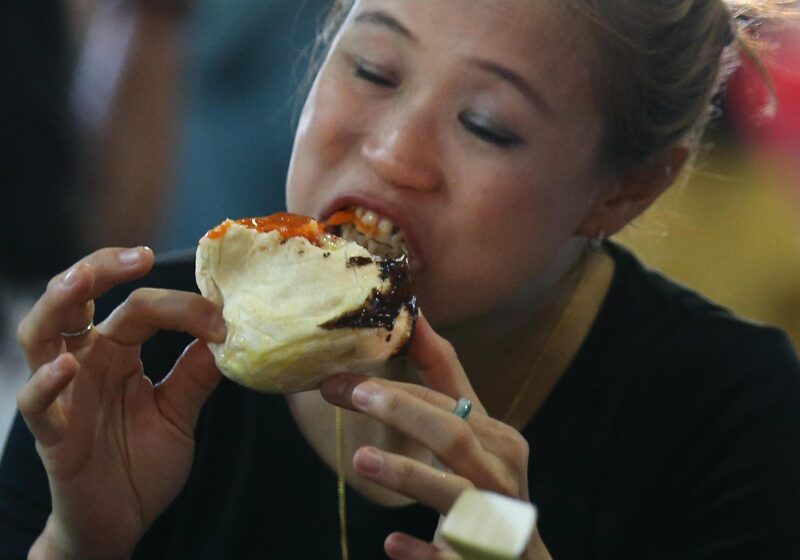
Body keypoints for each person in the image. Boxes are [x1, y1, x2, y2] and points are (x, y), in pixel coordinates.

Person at [2, 0, 800, 558]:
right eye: (374, 71)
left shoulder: (730, 418)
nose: (392, 153)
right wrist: (77, 543)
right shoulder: (128, 353)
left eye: (486, 125)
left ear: (626, 190)